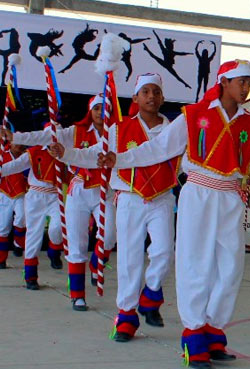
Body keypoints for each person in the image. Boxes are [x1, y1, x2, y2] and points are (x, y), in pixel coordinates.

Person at [99, 60, 250, 369]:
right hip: (198, 193)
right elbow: (158, 149)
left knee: (231, 265)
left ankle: (214, 326)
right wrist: (119, 158)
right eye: (240, 81)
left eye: (248, 82)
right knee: (195, 262)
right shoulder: (193, 115)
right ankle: (193, 332)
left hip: (230, 198)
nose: (245, 87)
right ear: (223, 82)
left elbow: (248, 166)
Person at [51, 74, 177, 342]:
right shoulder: (118, 129)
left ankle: (151, 293)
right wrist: (66, 153)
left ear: (163, 97)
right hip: (129, 198)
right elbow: (93, 155)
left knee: (164, 252)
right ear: (135, 98)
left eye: (156, 91)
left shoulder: (172, 129)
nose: (151, 96)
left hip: (162, 198)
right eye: (145, 91)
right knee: (130, 258)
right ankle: (126, 316)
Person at [4, 95, 117, 311]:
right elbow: (44, 137)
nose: (100, 113)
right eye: (97, 108)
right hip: (79, 191)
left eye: (105, 109)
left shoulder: (117, 132)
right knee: (76, 243)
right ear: (90, 111)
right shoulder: (74, 132)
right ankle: (77, 294)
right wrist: (16, 136)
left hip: (105, 190)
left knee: (110, 235)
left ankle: (96, 264)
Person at [0, 137, 63, 288]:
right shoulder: (34, 152)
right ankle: (30, 276)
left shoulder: (65, 152)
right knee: (33, 235)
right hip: (35, 196)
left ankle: (54, 252)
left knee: (59, 227)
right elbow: (16, 165)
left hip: (55, 195)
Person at [0, 143, 27, 271]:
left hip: (22, 194)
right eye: (16, 143)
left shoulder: (27, 157)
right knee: (3, 228)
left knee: (22, 218)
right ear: (10, 144)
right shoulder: (2, 155)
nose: (19, 146)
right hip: (4, 194)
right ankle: (1, 259)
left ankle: (18, 243)